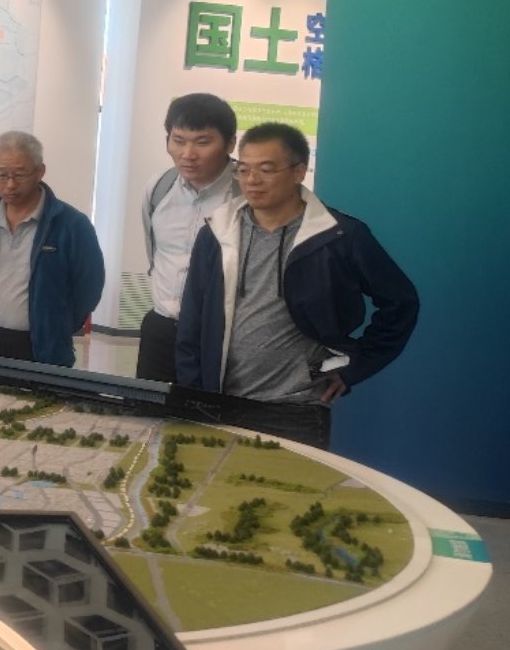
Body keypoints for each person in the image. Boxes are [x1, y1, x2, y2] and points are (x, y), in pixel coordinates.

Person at [175, 123, 420, 450]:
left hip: (296, 408)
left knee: (287, 486)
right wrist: (194, 392)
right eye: (243, 169)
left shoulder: (339, 236)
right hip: (220, 401)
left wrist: (355, 368)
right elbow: (192, 319)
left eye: (266, 169)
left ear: (298, 172)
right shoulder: (216, 233)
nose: (252, 180)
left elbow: (401, 303)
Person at [0, 132, 104, 376]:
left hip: (43, 349)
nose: (10, 184)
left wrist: (57, 326)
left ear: (40, 172)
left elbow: (89, 288)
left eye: (19, 175)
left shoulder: (72, 225)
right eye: (1, 175)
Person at [137, 93, 239, 382]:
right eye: (178, 140)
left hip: (218, 334)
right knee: (148, 407)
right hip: (161, 328)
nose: (188, 154)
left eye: (202, 142)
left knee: (208, 411)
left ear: (230, 144)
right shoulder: (159, 187)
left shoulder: (247, 195)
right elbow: (154, 251)